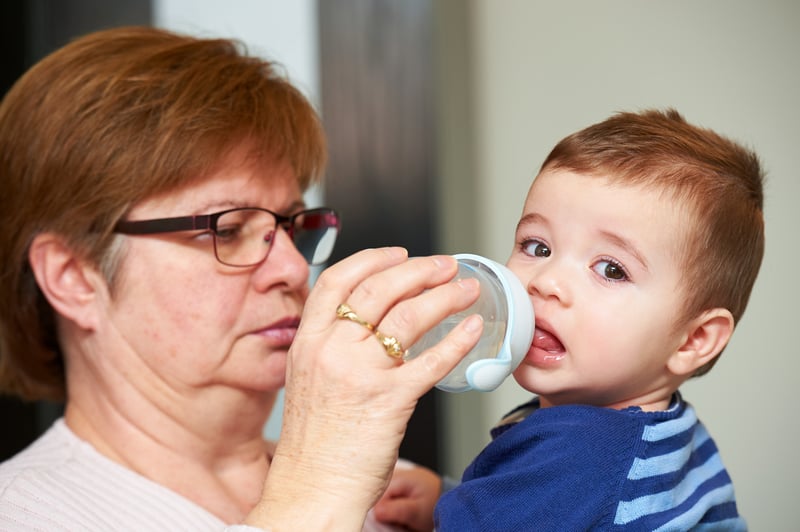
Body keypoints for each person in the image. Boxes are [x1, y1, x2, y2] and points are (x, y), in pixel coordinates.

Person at [0, 26, 484, 531]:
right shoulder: (23, 513)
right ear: (72, 276)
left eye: (293, 226)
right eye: (228, 230)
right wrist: (316, 491)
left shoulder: (397, 493)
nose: (296, 269)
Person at [434, 109, 762, 531]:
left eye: (610, 269)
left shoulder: (582, 452)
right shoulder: (659, 437)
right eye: (537, 247)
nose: (547, 281)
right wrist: (441, 496)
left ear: (693, 340)